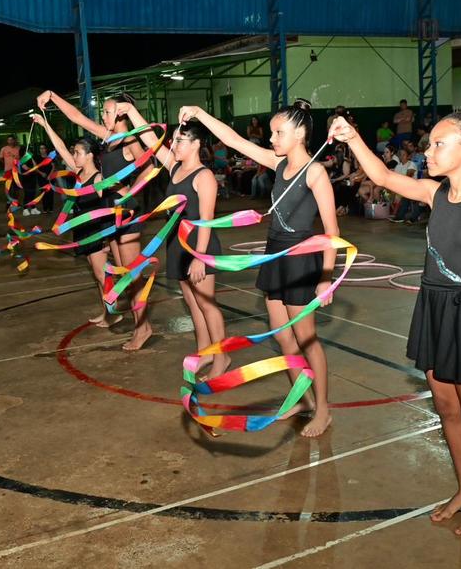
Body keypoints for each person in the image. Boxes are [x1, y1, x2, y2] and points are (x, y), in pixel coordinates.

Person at [331, 108, 461, 538]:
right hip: (432, 307)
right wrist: (352, 137)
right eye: (429, 143)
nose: (428, 152)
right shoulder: (434, 195)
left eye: (438, 144)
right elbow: (383, 176)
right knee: (446, 407)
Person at [181, 98, 339, 438]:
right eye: (271, 133)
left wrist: (326, 280)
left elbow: (331, 232)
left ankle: (323, 410)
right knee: (283, 338)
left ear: (299, 133)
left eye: (279, 133)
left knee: (307, 340)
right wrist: (200, 113)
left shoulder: (315, 172)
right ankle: (303, 398)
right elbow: (235, 140)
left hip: (301, 259)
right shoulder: (277, 163)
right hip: (274, 254)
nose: (272, 139)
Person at [120, 104, 231, 379]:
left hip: (198, 246)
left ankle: (222, 357)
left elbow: (206, 221)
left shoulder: (204, 177)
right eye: (174, 140)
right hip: (177, 244)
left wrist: (200, 257)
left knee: (207, 304)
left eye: (180, 140)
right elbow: (150, 139)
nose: (174, 145)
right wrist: (130, 111)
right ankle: (204, 349)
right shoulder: (174, 168)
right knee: (193, 304)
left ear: (195, 144)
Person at [38, 90, 152, 350]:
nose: (103, 115)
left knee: (132, 277)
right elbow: (78, 117)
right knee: (123, 276)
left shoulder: (129, 140)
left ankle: (143, 328)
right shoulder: (108, 137)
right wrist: (54, 97)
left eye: (108, 111)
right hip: (110, 213)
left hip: (125, 212)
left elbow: (149, 167)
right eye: (103, 111)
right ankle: (138, 325)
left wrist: (129, 192)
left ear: (122, 112)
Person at [32, 114, 120, 327]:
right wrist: (45, 124)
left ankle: (114, 313)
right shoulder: (79, 174)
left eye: (78, 153)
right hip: (82, 228)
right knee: (96, 274)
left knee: (102, 275)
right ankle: (106, 312)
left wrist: (109, 241)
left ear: (90, 155)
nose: (74, 155)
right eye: (74, 153)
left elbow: (109, 210)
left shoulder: (99, 178)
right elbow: (60, 147)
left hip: (96, 231)